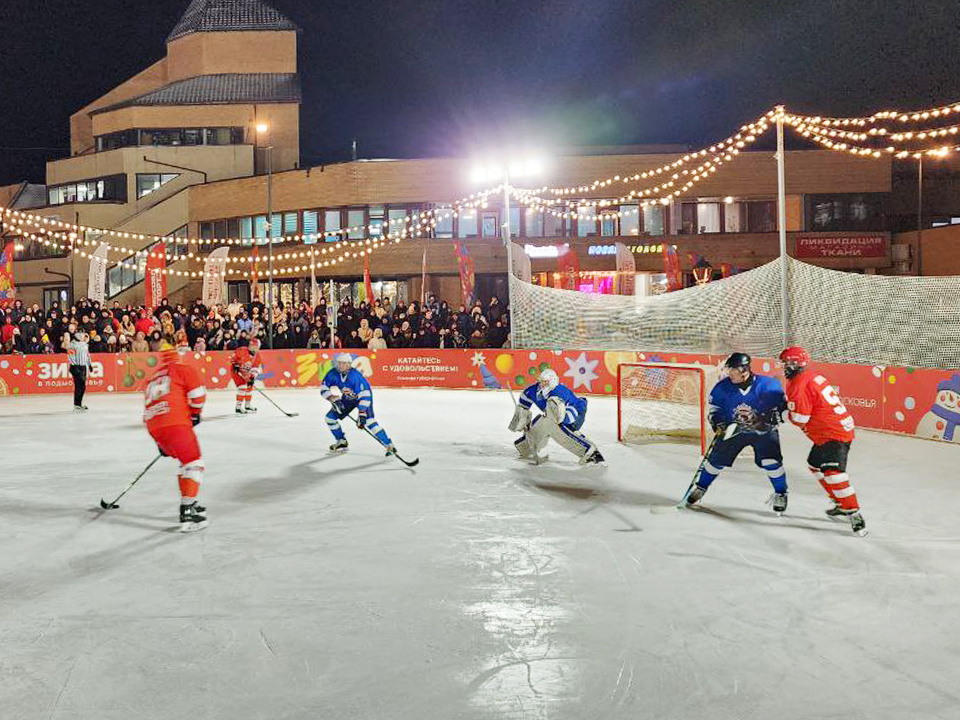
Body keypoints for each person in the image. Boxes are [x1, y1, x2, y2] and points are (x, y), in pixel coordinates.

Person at [684, 353, 789, 513]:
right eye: (728, 369)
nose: (728, 373)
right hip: (734, 430)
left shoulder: (768, 385)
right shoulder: (722, 387)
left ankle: (781, 493)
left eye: (732, 369)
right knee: (715, 462)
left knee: (771, 463)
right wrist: (718, 423)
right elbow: (715, 410)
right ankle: (700, 487)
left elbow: (783, 411)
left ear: (744, 370)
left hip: (763, 432)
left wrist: (771, 420)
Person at [779, 346, 866, 535]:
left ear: (796, 364)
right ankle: (840, 500)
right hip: (833, 430)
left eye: (787, 363)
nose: (785, 366)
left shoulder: (797, 384)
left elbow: (801, 418)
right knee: (815, 464)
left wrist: (782, 414)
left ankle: (853, 512)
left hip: (832, 433)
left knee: (833, 472)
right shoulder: (811, 376)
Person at [143, 347, 208, 531]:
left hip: (154, 426)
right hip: (176, 422)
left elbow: (148, 408)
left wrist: (160, 442)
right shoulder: (182, 369)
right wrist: (195, 414)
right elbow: (198, 395)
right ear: (178, 356)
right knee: (194, 462)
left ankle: (191, 501)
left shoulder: (154, 376)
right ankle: (187, 511)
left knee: (184, 461)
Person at [510, 368, 603, 464]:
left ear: (552, 381)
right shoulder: (534, 390)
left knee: (557, 429)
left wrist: (564, 423)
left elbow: (572, 411)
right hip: (553, 415)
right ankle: (526, 447)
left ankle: (591, 453)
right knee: (543, 423)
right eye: (541, 381)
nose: (542, 384)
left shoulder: (560, 392)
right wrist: (522, 417)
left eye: (545, 382)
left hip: (576, 413)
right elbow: (525, 398)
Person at [320, 353, 395, 454]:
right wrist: (332, 398)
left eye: (343, 363)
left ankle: (389, 444)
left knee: (369, 421)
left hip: (363, 400)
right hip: (347, 400)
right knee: (330, 418)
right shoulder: (333, 373)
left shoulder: (355, 376)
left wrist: (362, 413)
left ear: (349, 364)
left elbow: (365, 395)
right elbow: (324, 387)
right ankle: (341, 441)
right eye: (339, 363)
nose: (341, 365)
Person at [230, 337, 261, 414]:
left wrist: (252, 377)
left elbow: (255, 368)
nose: (252, 347)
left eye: (254, 346)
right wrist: (235, 364)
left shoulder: (257, 357)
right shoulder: (242, 350)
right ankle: (238, 407)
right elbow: (233, 357)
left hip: (247, 373)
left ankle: (247, 405)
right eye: (251, 345)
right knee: (242, 387)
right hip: (236, 372)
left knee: (249, 387)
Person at [67, 331, 94, 411]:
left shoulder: (85, 344)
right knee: (78, 386)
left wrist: (89, 365)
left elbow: (87, 355)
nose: (82, 336)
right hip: (76, 366)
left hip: (83, 366)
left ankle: (79, 403)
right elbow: (71, 356)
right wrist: (74, 366)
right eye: (81, 335)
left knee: (82, 386)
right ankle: (76, 404)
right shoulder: (72, 345)